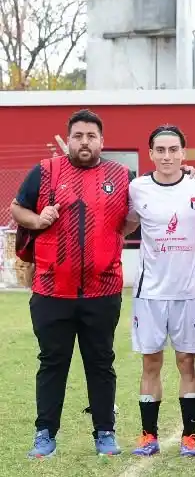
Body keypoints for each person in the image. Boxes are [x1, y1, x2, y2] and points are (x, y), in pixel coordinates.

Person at [14, 109, 133, 459]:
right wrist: (38, 218)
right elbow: (17, 209)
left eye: (91, 136)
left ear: (101, 140)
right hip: (52, 290)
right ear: (69, 139)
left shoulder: (122, 175)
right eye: (78, 136)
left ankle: (105, 433)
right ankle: (45, 434)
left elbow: (134, 216)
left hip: (103, 291)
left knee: (100, 363)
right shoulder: (45, 171)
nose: (84, 142)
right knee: (53, 362)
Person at [126, 125, 195, 458]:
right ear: (150, 154)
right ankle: (149, 436)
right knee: (151, 363)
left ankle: (189, 437)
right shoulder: (137, 188)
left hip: (189, 291)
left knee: (187, 362)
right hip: (150, 293)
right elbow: (127, 223)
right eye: (160, 150)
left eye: (173, 149)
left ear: (183, 152)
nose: (167, 156)